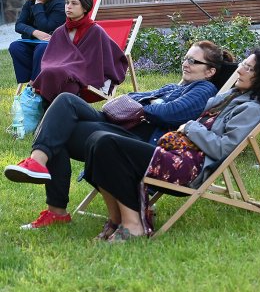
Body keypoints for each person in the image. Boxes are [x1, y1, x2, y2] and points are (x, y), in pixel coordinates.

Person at [4, 42, 234, 230]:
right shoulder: (173, 87)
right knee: (65, 101)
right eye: (186, 58)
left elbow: (173, 113)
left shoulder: (204, 90)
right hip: (118, 124)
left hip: (131, 141)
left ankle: (55, 207)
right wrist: (143, 101)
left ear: (210, 71)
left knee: (60, 130)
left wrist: (144, 107)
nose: (186, 64)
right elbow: (137, 96)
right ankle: (38, 164)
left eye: (194, 61)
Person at [78, 50, 260, 241]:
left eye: (249, 68)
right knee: (96, 140)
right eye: (243, 63)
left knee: (106, 142)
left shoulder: (250, 109)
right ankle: (117, 219)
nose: (240, 69)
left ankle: (134, 226)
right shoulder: (231, 97)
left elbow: (223, 149)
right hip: (177, 154)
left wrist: (190, 128)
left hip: (189, 167)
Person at [31, 0, 128, 104]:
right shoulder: (59, 32)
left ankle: (62, 115)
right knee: (49, 72)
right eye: (66, 3)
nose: (68, 6)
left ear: (85, 7)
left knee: (65, 79)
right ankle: (48, 115)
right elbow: (50, 59)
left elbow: (95, 62)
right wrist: (63, 68)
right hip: (62, 74)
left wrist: (68, 68)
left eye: (74, 3)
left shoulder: (96, 31)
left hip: (85, 76)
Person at [9, 0, 66, 84]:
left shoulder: (60, 3)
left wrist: (39, 4)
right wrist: (35, 32)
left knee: (41, 48)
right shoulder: (30, 2)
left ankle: (34, 85)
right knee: (15, 46)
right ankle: (30, 81)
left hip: (56, 45)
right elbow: (18, 25)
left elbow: (47, 28)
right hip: (35, 42)